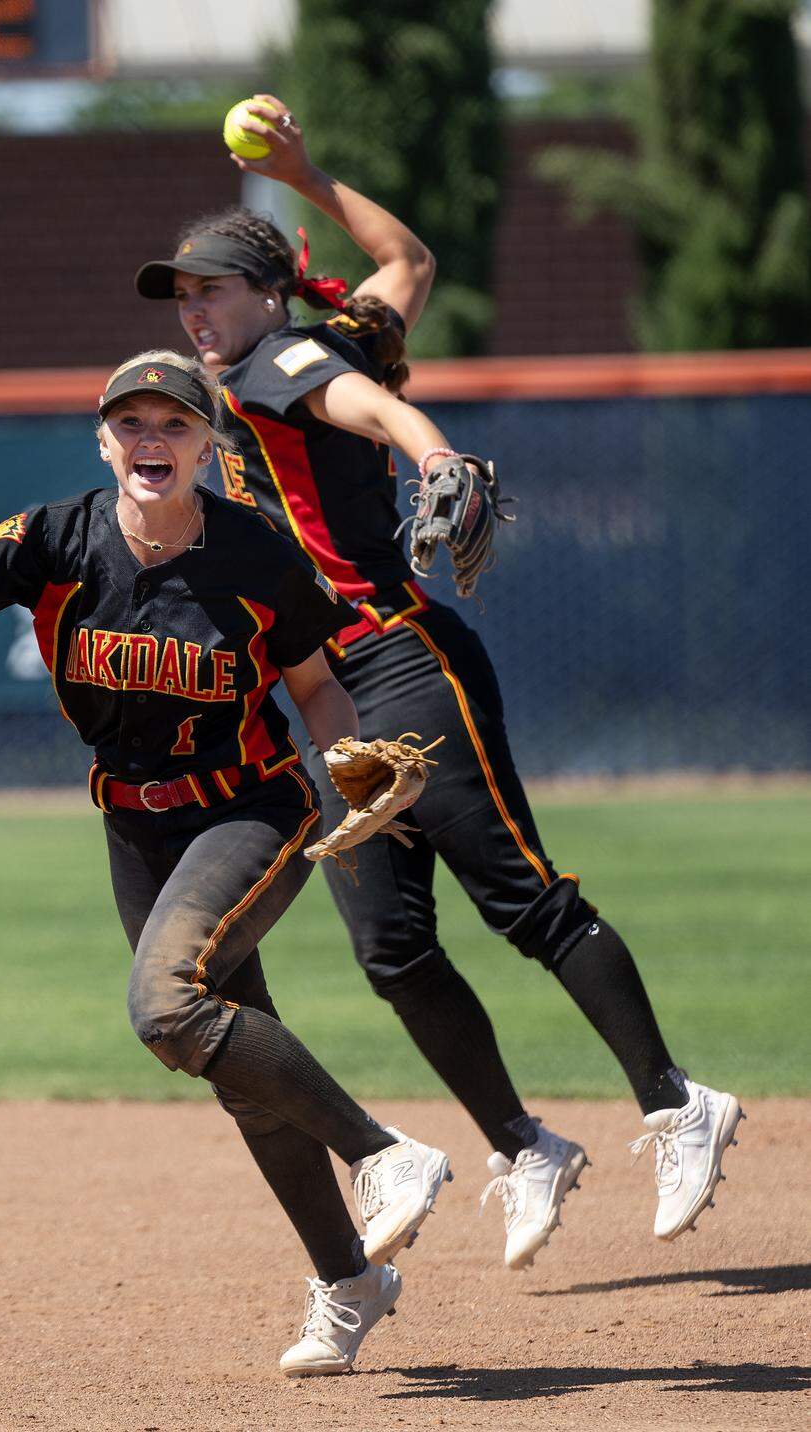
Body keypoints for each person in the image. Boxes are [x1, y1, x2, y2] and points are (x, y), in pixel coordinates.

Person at [133, 96, 744, 1268]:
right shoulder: (334, 329)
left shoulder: (282, 360)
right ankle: (524, 1145)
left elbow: (369, 405)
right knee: (392, 948)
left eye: (210, 288)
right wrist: (306, 170)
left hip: (400, 664)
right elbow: (409, 260)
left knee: (517, 896)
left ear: (263, 294)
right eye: (183, 294)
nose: (193, 309)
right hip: (331, 696)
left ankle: (675, 1103)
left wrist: (435, 456)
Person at [0, 353, 453, 1378]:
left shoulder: (254, 554)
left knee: (164, 1008)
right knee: (235, 1068)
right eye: (130, 421)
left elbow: (317, 689)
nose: (151, 437)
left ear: (207, 444)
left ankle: (383, 1153)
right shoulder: (59, 539)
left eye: (174, 421)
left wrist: (347, 767)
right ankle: (350, 1280)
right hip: (132, 828)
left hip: (250, 809)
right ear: (104, 441)